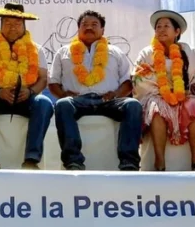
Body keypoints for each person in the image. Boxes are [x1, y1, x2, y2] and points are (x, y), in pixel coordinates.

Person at [49, 10, 141, 171]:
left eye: (94, 25)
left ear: (103, 30)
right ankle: (73, 161)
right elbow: (53, 82)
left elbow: (127, 82)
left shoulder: (116, 52)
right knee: (63, 104)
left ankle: (129, 162)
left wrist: (116, 95)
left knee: (133, 105)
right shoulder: (63, 52)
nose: (89, 28)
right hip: (78, 100)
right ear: (78, 29)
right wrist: (64, 94)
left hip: (109, 101)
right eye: (84, 25)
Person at [0, 3, 54, 170]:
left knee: (44, 102)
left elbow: (43, 79)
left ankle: (31, 159)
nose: (12, 28)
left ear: (24, 25)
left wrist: (30, 91)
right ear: (0, 24)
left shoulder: (36, 50)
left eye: (17, 24)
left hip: (26, 97)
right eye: (7, 23)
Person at [133, 10, 195, 171]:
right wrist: (163, 92)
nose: (161, 29)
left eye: (166, 26)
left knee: (194, 104)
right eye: (158, 27)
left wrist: (190, 89)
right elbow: (139, 79)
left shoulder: (189, 52)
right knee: (156, 108)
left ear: (177, 31)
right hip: (156, 95)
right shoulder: (147, 53)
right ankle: (159, 162)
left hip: (186, 95)